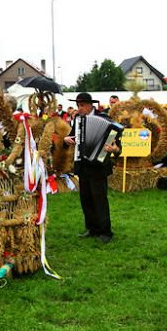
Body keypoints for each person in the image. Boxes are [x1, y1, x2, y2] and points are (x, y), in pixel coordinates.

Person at [64, 92, 121, 244]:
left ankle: (105, 231)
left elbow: (117, 147)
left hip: (99, 166)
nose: (79, 109)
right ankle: (92, 229)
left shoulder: (106, 120)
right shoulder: (77, 120)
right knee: (86, 199)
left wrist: (113, 150)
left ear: (90, 105)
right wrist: (66, 139)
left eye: (82, 105)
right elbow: (70, 137)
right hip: (83, 165)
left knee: (99, 199)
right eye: (77, 105)